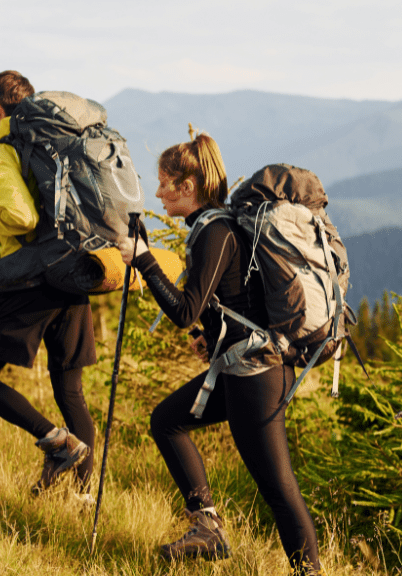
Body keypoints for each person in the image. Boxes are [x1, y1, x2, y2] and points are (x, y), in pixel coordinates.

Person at [118, 132, 322, 574]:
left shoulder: (214, 231)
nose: (158, 193)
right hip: (243, 367)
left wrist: (144, 260)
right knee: (167, 420)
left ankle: (309, 571)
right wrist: (213, 335)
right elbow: (233, 298)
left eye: (164, 183)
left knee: (278, 489)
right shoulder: (218, 226)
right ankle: (207, 530)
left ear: (187, 187)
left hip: (255, 377)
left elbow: (183, 310)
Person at [0, 70, 97, 497]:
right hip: (75, 271)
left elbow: (23, 218)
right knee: (70, 389)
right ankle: (82, 496)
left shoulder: (1, 151)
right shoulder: (54, 144)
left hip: (35, 281)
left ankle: (56, 442)